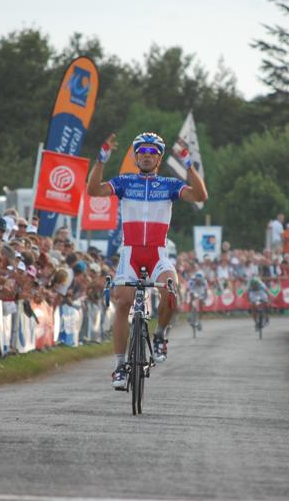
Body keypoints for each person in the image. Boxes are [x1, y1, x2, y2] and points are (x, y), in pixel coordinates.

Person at [87, 132, 208, 389]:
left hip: (157, 253)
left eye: (152, 152)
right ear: (135, 155)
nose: (146, 155)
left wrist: (188, 164)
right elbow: (93, 190)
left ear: (159, 158)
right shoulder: (124, 182)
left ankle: (161, 335)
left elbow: (200, 196)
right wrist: (101, 159)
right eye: (141, 151)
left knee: (171, 291)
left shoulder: (169, 185)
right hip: (130, 252)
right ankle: (120, 366)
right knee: (122, 303)